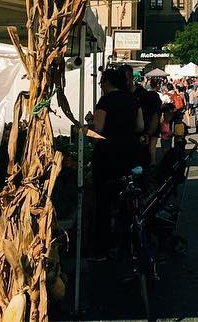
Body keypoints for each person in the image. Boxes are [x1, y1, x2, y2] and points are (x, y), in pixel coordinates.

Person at [89, 68, 144, 259]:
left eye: (101, 82)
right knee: (128, 202)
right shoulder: (132, 99)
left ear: (107, 82)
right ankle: (129, 245)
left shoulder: (105, 101)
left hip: (108, 155)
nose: (100, 85)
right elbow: (140, 126)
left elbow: (98, 128)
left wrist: (85, 129)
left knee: (104, 203)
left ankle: (101, 250)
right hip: (130, 153)